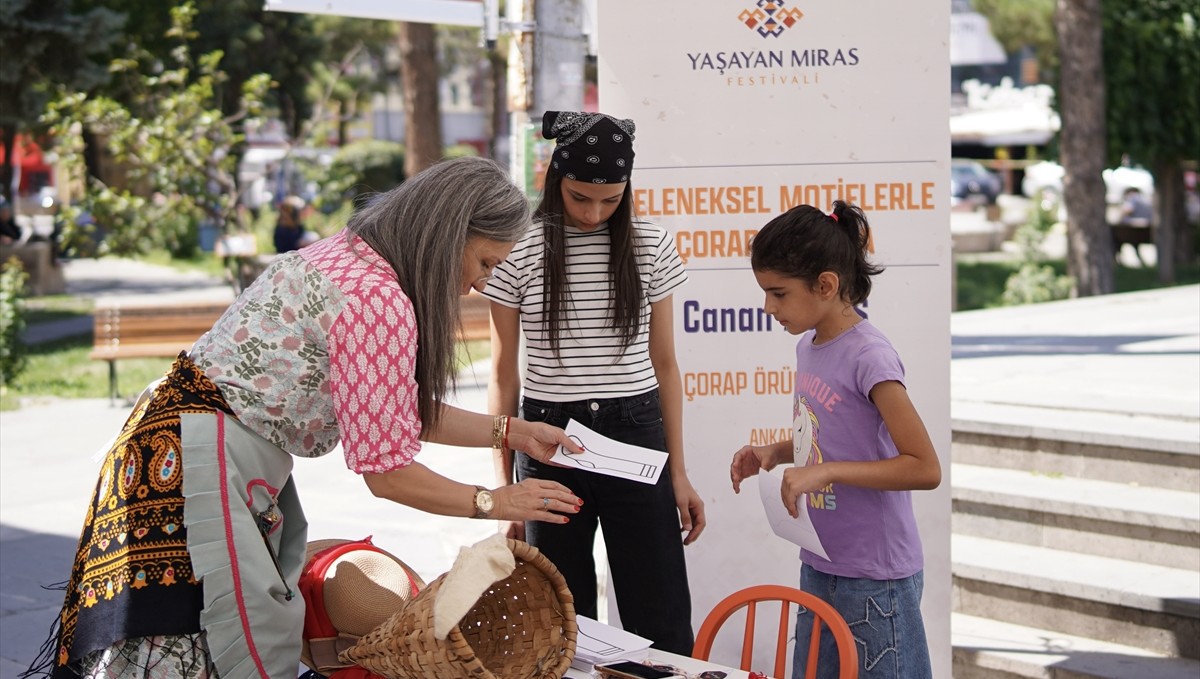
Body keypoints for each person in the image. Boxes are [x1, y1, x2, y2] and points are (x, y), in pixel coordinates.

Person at [27, 157, 585, 679]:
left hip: (175, 445)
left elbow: (386, 408)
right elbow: (387, 474)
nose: (481, 284)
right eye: (485, 263)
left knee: (176, 637)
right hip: (199, 464)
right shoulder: (377, 299)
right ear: (448, 234)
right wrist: (493, 502)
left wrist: (510, 432)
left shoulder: (348, 256)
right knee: (232, 640)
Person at [481, 110, 705, 655]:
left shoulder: (651, 244)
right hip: (547, 439)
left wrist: (678, 474)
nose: (593, 213)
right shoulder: (518, 249)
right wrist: (503, 484)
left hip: (636, 431)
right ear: (556, 178)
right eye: (580, 197)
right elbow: (503, 374)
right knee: (560, 621)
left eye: (610, 200)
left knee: (660, 616)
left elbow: (666, 365)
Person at [729, 201, 941, 679]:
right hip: (821, 562)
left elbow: (924, 466)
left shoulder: (871, 356)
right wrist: (776, 452)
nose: (768, 308)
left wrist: (825, 472)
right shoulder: (808, 346)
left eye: (779, 293)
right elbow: (833, 434)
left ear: (825, 285)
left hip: (876, 579)